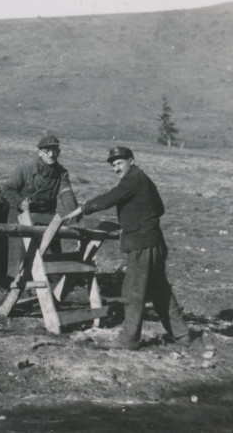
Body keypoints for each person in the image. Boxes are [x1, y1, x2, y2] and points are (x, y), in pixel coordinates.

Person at [62, 146, 192, 350]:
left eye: (119, 163)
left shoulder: (133, 179)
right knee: (160, 290)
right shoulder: (144, 179)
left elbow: (109, 199)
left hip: (142, 244)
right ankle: (182, 335)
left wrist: (81, 209)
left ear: (131, 160)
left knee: (133, 290)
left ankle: (129, 340)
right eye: (113, 165)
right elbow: (160, 209)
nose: (116, 168)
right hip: (155, 242)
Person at [3, 133, 79, 280]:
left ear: (59, 152)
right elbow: (8, 189)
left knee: (52, 256)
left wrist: (75, 218)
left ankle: (51, 290)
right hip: (21, 217)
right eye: (47, 150)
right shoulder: (25, 169)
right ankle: (17, 289)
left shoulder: (61, 173)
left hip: (46, 217)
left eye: (54, 150)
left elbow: (67, 195)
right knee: (19, 259)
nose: (51, 154)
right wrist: (19, 202)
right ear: (40, 152)